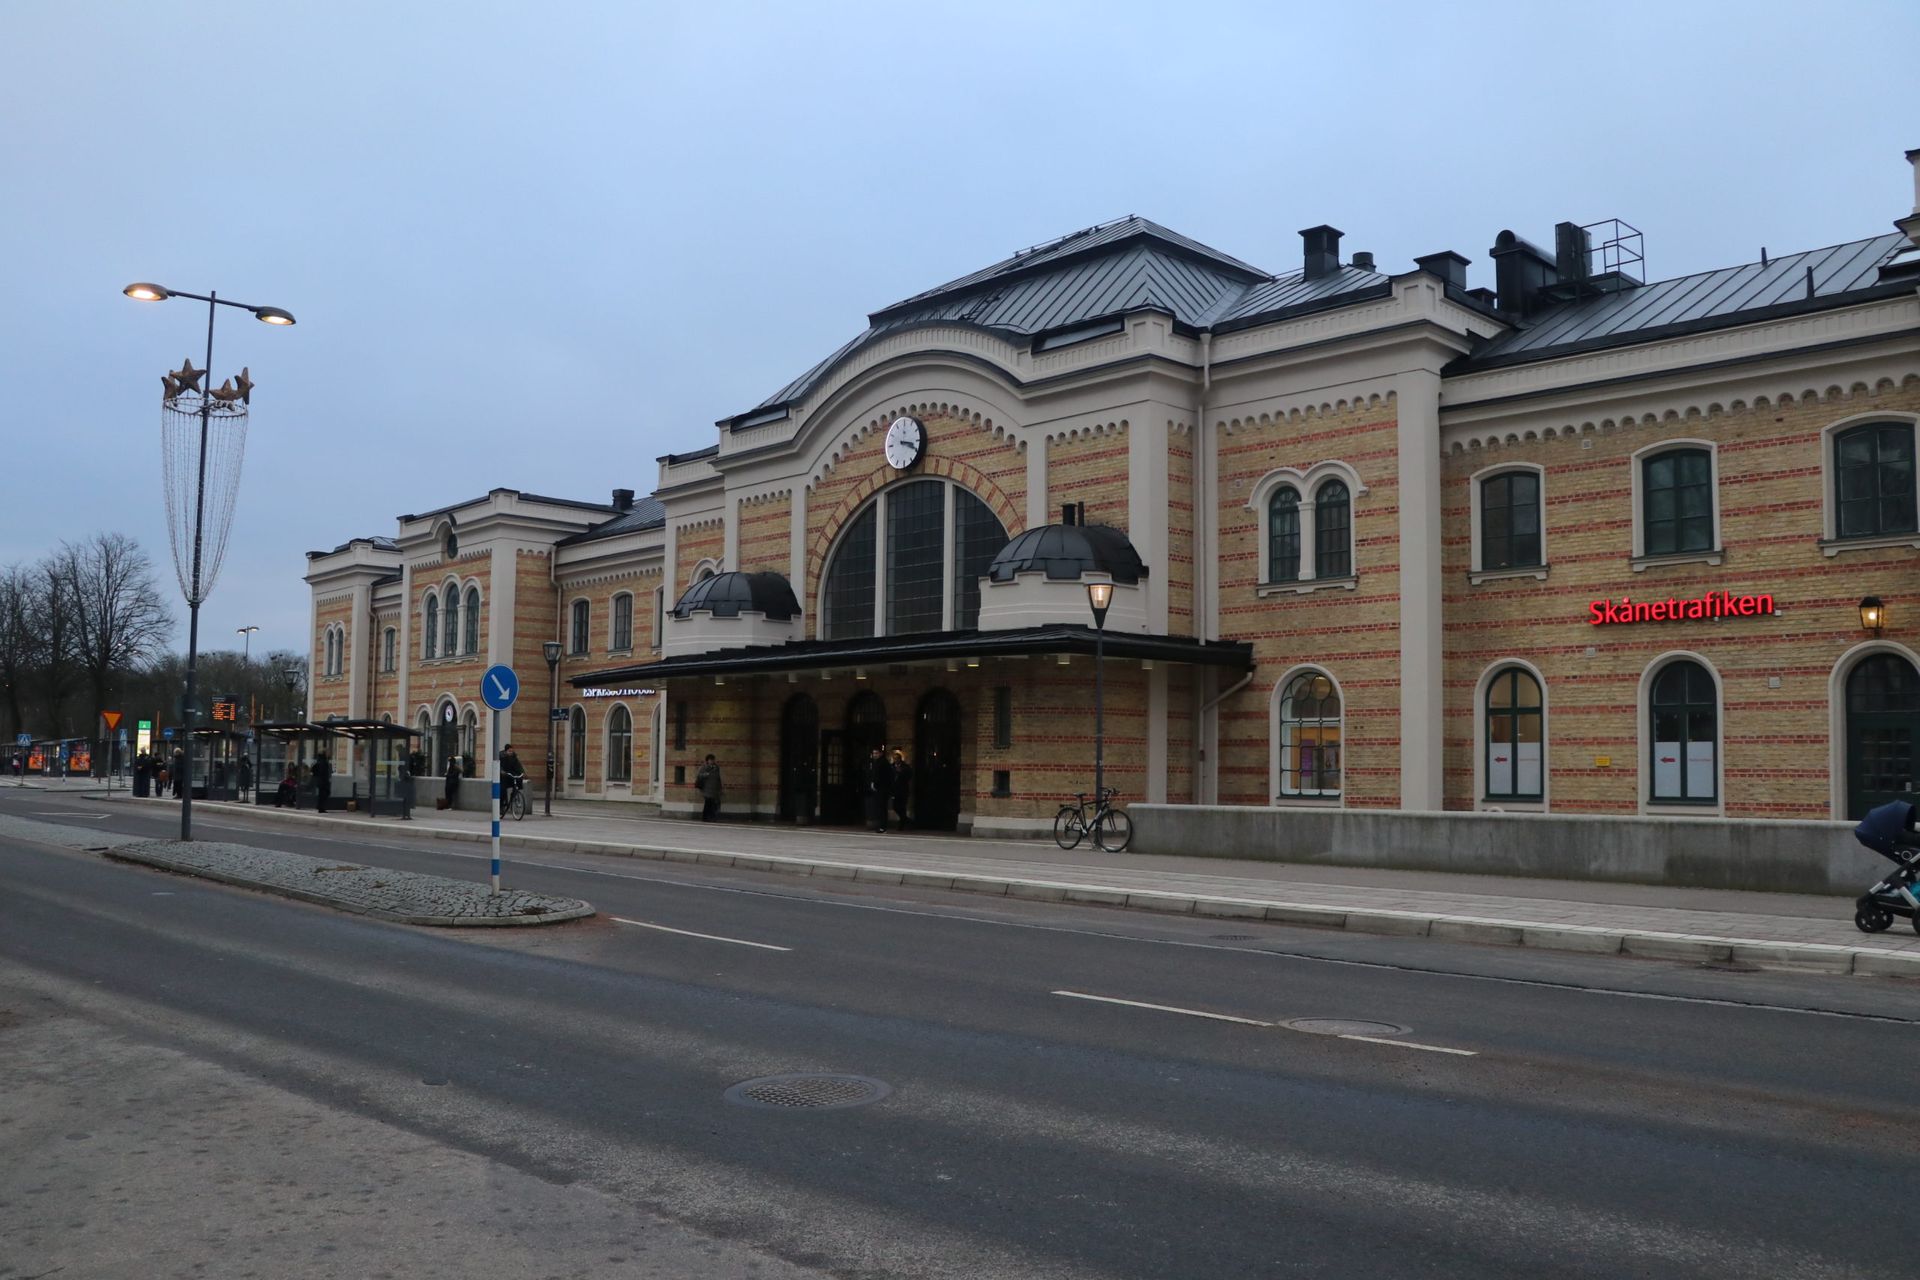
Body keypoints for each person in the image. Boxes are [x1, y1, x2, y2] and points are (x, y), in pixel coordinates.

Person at [864, 745, 892, 833]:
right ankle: (881, 826)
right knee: (879, 807)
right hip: (878, 788)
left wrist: (875, 783)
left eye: (876, 753)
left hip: (882, 788)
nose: (875, 755)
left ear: (880, 753)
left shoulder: (883, 762)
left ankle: (883, 827)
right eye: (874, 753)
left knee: (882, 808)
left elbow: (881, 776)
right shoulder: (876, 762)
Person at [695, 753, 723, 821]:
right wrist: (706, 774)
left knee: (713, 804)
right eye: (710, 760)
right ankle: (705, 817)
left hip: (714, 789)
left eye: (713, 760)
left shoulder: (716, 767)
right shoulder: (704, 767)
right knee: (708, 803)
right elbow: (699, 775)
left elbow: (718, 778)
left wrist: (720, 787)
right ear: (707, 760)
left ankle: (712, 817)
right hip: (706, 788)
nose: (712, 761)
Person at [890, 749, 913, 831]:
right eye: (894, 758)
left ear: (900, 759)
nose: (895, 760)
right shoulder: (891, 767)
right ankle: (907, 820)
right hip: (895, 790)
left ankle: (902, 824)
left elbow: (909, 776)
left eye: (897, 758)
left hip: (903, 790)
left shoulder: (905, 767)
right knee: (895, 807)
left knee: (902, 807)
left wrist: (902, 773)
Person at [499, 743, 526, 808]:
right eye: (509, 751)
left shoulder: (514, 757)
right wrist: (501, 771)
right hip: (503, 775)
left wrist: (522, 772)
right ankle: (501, 805)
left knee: (518, 779)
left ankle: (515, 793)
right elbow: (498, 765)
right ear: (506, 751)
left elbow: (518, 765)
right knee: (502, 789)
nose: (511, 753)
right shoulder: (501, 756)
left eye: (512, 751)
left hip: (511, 773)